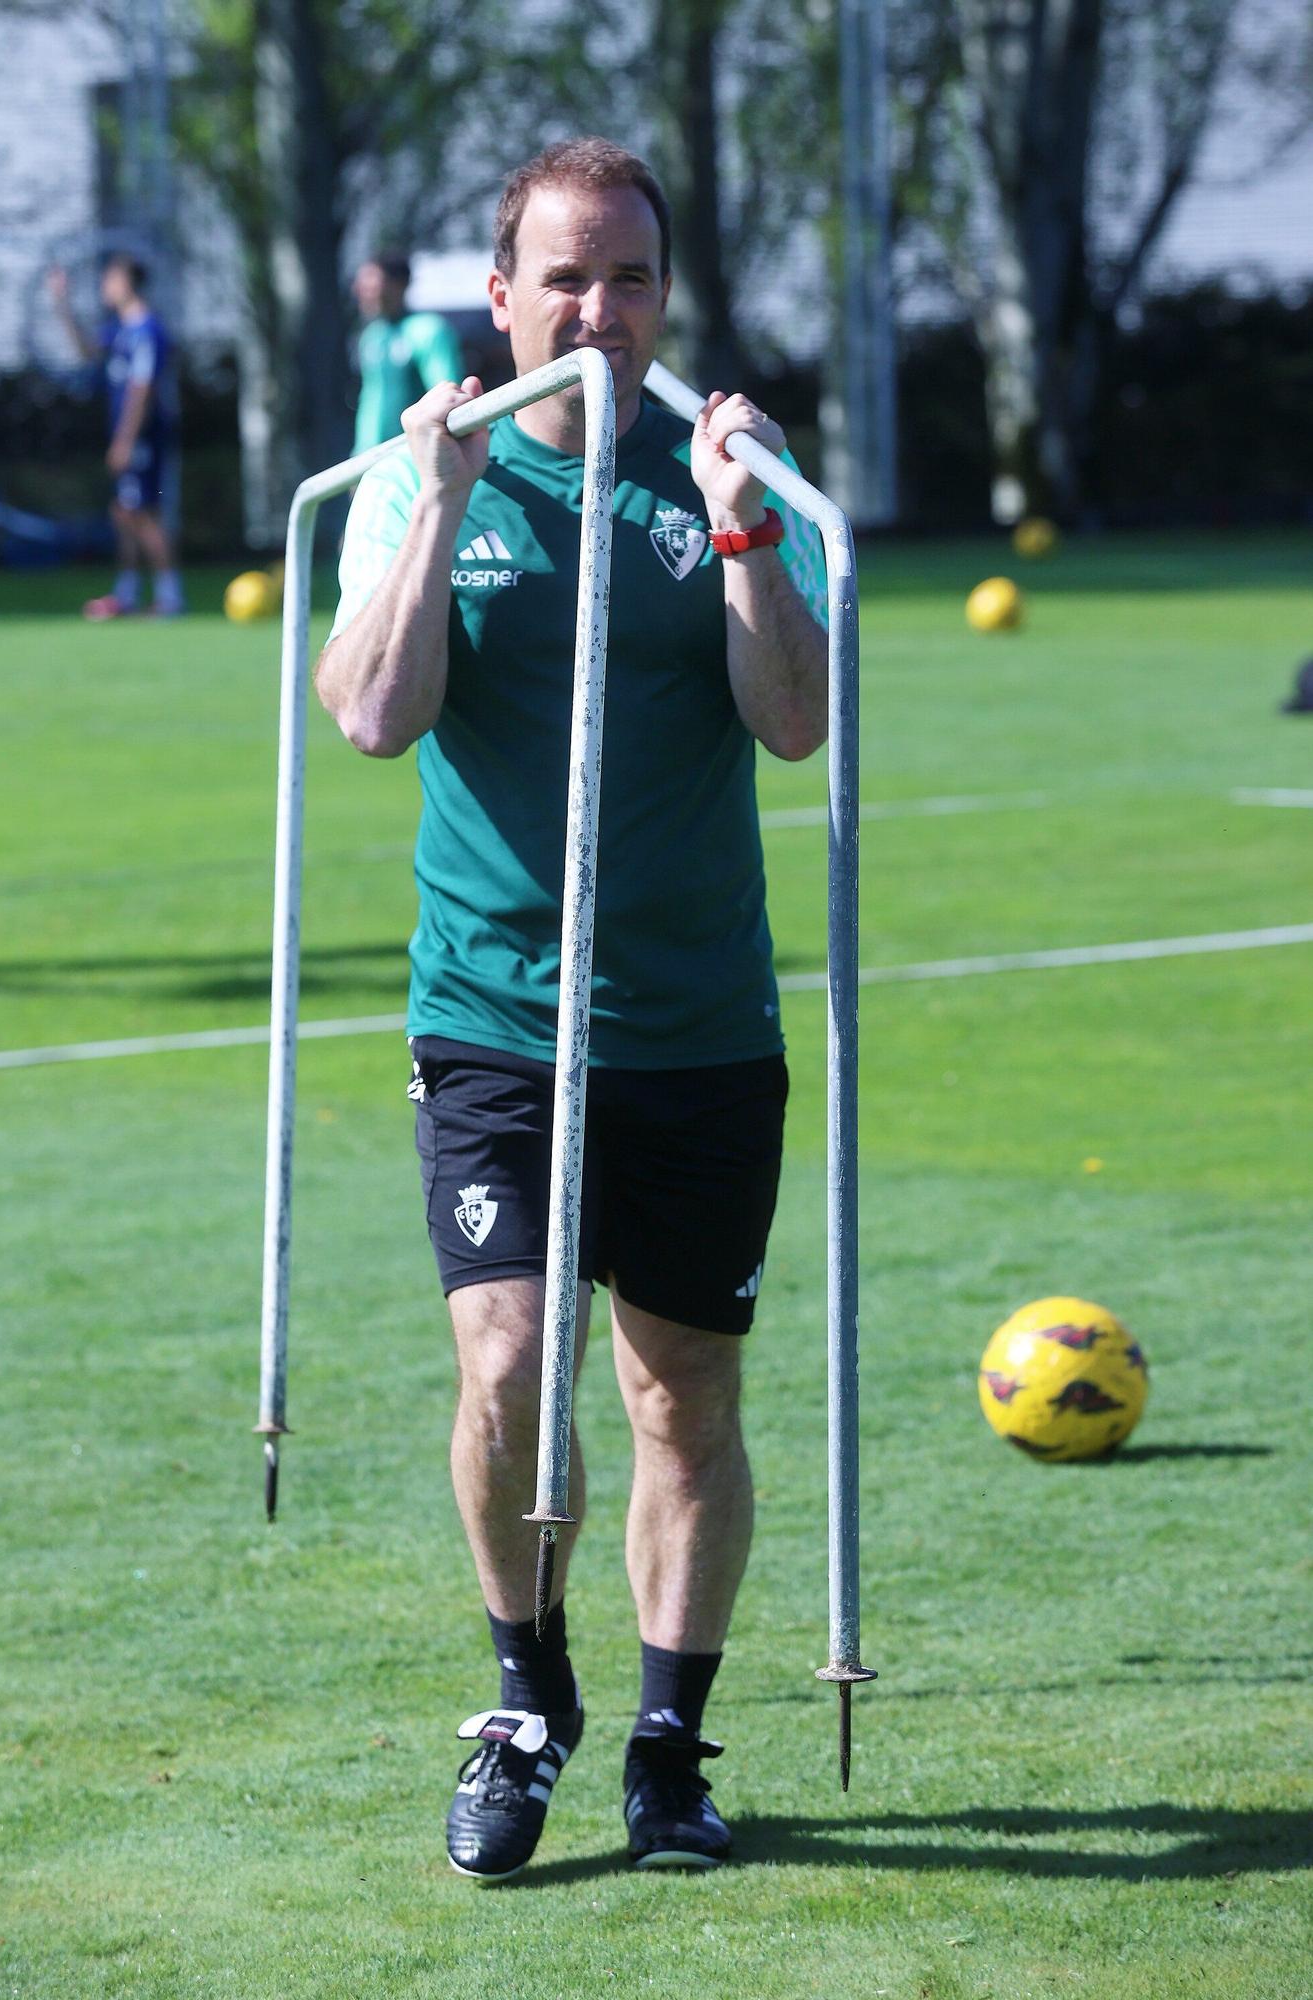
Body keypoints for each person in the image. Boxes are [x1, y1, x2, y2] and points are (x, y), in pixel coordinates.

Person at [316, 138, 829, 1880]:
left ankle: (671, 1743)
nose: (595, 313)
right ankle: (528, 1705)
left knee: (681, 1394)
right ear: (501, 291)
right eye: (564, 277)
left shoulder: (727, 479)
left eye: (628, 280)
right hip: (490, 1016)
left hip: (694, 1026)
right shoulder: (424, 480)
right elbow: (371, 717)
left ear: (663, 296)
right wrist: (442, 498)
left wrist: (745, 510)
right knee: (509, 1362)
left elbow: (791, 719)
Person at [47, 254, 183, 620]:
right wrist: (62, 306)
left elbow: (142, 389)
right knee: (124, 511)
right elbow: (85, 350)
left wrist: (125, 439)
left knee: (142, 514)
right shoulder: (121, 329)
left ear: (126, 281)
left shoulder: (147, 330)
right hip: (130, 436)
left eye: (109, 278)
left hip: (143, 438)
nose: (105, 285)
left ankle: (170, 597)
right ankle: (128, 592)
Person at [352, 252, 465, 455]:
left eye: (372, 283)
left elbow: (447, 396)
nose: (362, 291)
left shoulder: (428, 330)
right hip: (369, 460)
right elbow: (370, 401)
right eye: (361, 284)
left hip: (412, 456)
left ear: (400, 284)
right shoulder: (372, 336)